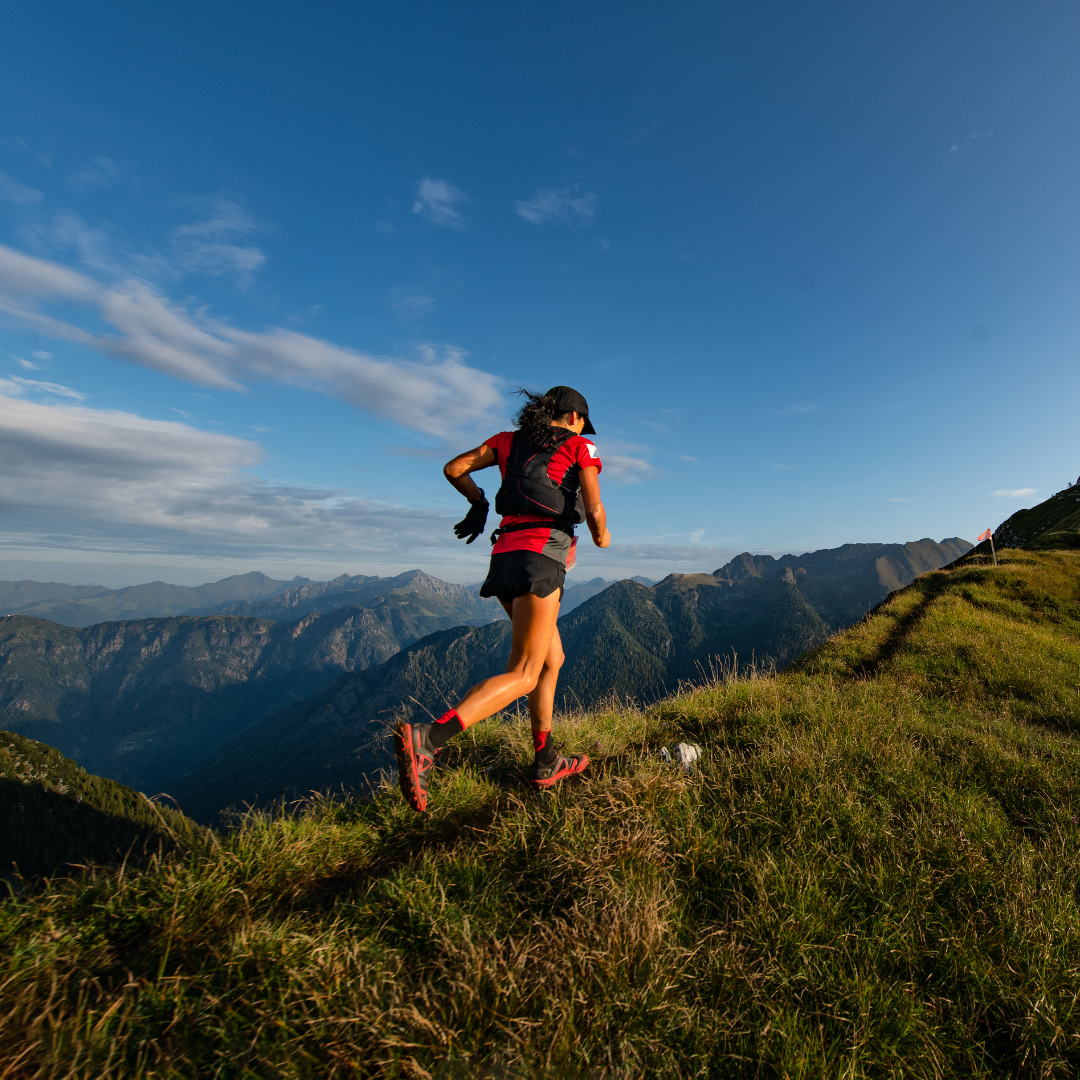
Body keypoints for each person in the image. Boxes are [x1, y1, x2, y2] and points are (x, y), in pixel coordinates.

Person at [393, 385, 611, 812]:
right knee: (526, 672)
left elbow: (454, 467)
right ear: (573, 417)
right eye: (584, 421)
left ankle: (546, 760)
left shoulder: (506, 441)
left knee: (552, 660)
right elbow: (595, 506)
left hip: (504, 557)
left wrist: (478, 502)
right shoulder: (580, 446)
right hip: (541, 559)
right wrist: (601, 537)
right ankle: (428, 740)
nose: (585, 429)